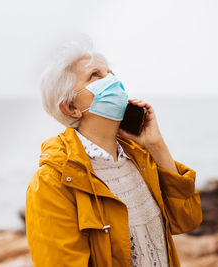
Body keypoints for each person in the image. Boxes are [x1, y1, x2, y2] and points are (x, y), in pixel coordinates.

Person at [25, 37, 203, 267]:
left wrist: (156, 145)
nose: (111, 80)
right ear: (71, 107)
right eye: (95, 75)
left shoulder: (139, 157)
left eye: (110, 73)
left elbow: (188, 220)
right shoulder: (52, 182)